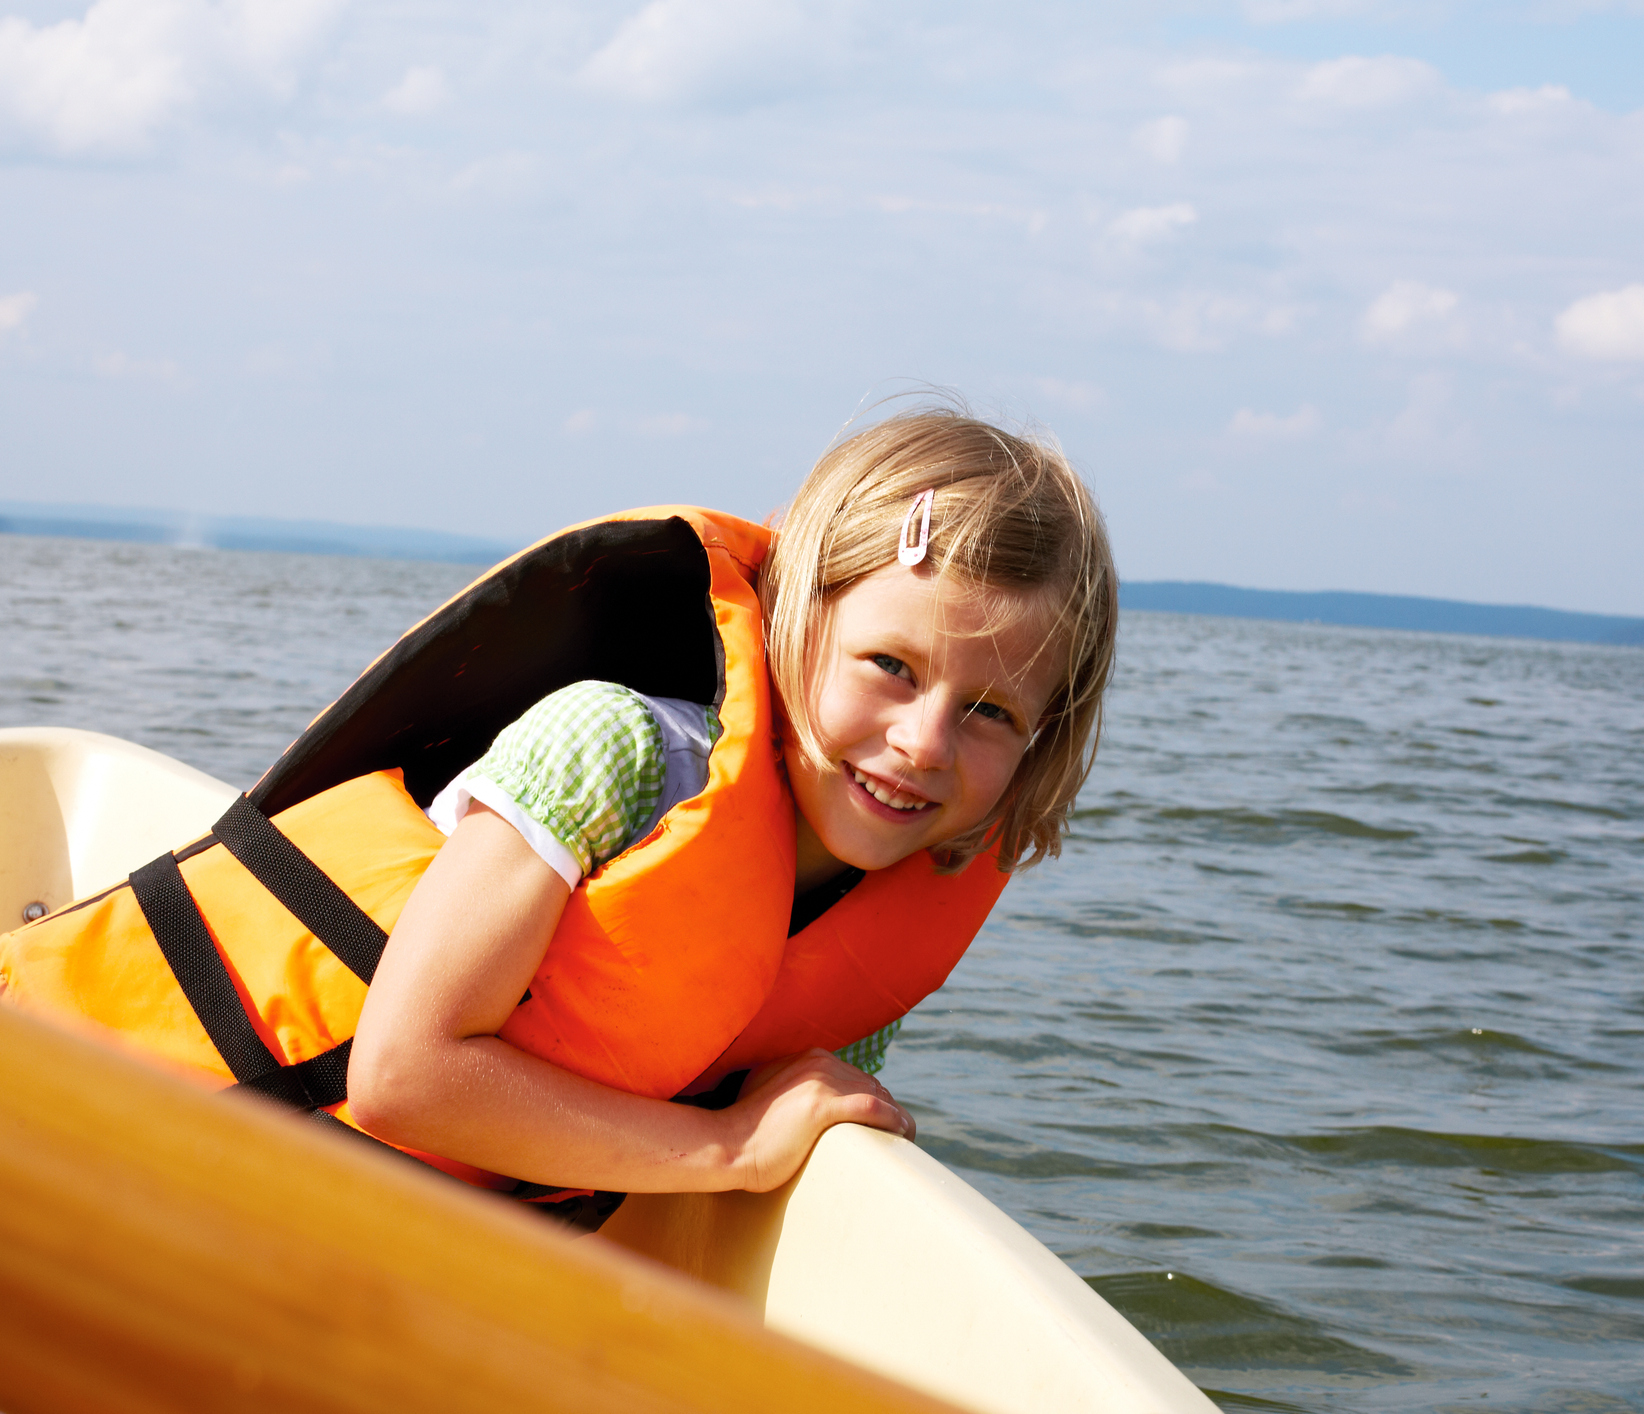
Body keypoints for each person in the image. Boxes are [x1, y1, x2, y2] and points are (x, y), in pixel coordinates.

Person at [0, 407, 1117, 1229]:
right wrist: (725, 1145)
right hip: (77, 1130)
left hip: (336, 1234)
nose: (923, 741)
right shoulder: (614, 750)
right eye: (891, 665)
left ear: (1042, 738)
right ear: (791, 622)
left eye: (987, 711)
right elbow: (403, 1072)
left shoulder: (882, 921)